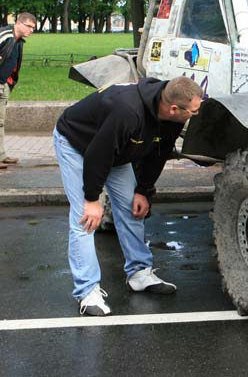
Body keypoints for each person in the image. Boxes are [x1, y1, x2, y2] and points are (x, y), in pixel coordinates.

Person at [54, 76, 203, 316]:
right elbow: (97, 155)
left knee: (131, 208)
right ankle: (87, 290)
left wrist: (143, 190)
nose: (196, 115)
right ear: (174, 108)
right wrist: (92, 199)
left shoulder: (172, 117)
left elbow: (158, 153)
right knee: (86, 218)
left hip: (117, 149)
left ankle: (139, 273)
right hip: (78, 143)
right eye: (193, 111)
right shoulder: (127, 111)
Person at [0, 12, 36, 170]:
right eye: (29, 26)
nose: (31, 30)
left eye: (33, 28)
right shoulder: (5, 35)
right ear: (19, 23)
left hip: (5, 83)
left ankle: (1, 155)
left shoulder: (19, 41)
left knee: (0, 122)